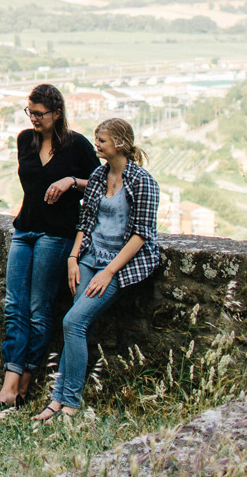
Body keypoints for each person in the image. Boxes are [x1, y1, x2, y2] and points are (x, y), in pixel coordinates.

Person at [34, 118, 161, 423]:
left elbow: (141, 235)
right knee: (74, 324)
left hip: (118, 266)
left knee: (74, 322)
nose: (97, 145)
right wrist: (73, 258)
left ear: (119, 143)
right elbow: (86, 221)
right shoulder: (97, 175)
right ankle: (58, 401)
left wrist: (109, 273)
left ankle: (69, 401)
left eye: (101, 140)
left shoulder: (142, 182)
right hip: (90, 258)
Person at [0, 84, 100, 410]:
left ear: (57, 113)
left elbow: (102, 182)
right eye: (30, 113)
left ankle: (24, 382)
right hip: (25, 229)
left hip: (57, 234)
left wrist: (71, 182)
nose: (33, 119)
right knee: (14, 307)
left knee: (38, 310)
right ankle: (9, 386)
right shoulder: (25, 139)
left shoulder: (76, 145)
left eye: (39, 114)